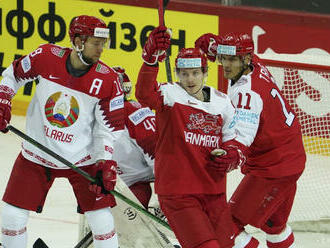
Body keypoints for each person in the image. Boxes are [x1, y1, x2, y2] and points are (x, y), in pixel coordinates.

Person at [0, 15, 125, 248]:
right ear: (78, 41)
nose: (101, 49)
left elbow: (110, 128)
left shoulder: (108, 80)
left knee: (103, 222)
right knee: (12, 216)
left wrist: (104, 161)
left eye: (103, 43)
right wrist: (3, 99)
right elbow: (13, 74)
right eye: (95, 42)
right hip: (36, 153)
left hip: (83, 158)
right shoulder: (45, 57)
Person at [135, 26, 259, 248]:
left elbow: (233, 140)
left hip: (214, 193)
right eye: (184, 74)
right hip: (178, 194)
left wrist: (231, 156)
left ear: (205, 73)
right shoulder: (169, 95)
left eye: (195, 73)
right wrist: (151, 60)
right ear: (178, 73)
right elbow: (144, 94)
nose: (190, 79)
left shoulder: (222, 102)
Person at [195, 32, 306, 248]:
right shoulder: (254, 63)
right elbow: (231, 52)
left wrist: (230, 153)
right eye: (223, 58)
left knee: (227, 227)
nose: (226, 65)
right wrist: (214, 46)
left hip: (273, 168)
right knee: (274, 226)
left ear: (245, 59)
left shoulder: (247, 95)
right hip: (291, 158)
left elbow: (242, 136)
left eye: (232, 60)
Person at [111, 66, 156, 209]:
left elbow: (155, 148)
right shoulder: (94, 112)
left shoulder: (133, 111)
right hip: (116, 181)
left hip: (136, 182)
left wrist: (167, 192)